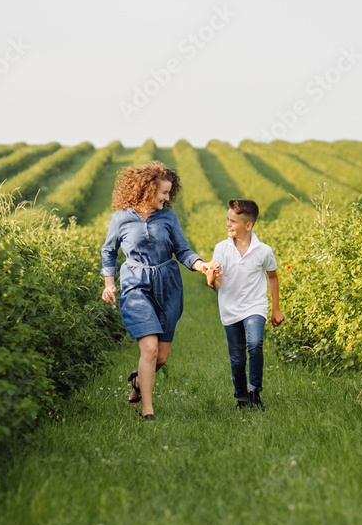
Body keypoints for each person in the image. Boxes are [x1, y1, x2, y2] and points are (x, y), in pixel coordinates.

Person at [100, 161, 210, 421]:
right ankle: (147, 411)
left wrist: (201, 265)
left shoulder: (168, 217)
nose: (167, 197)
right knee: (148, 350)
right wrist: (109, 283)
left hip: (168, 285)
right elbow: (109, 251)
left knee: (160, 357)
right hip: (135, 284)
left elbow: (182, 250)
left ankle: (138, 383)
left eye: (169, 192)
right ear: (147, 190)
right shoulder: (121, 218)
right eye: (163, 192)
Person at [205, 199, 285, 410]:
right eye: (227, 219)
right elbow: (218, 284)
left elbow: (273, 277)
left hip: (255, 306)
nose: (228, 224)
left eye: (233, 221)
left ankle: (254, 393)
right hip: (230, 309)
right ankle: (241, 398)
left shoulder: (263, 251)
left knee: (255, 343)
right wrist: (211, 279)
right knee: (238, 357)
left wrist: (276, 309)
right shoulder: (221, 249)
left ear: (248, 225)